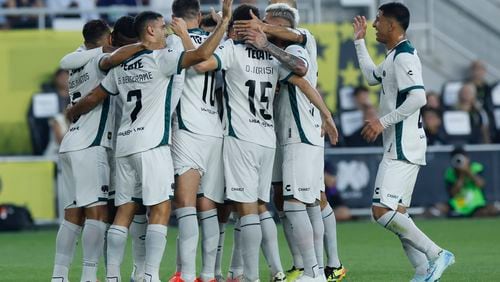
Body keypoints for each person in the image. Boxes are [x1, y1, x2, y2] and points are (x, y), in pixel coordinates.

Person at [66, 3, 233, 281]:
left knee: (124, 211)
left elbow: (95, 96)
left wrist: (72, 111)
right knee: (161, 208)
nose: (167, 32)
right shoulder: (163, 60)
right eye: (163, 27)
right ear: (151, 30)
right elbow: (203, 55)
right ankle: (150, 276)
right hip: (153, 144)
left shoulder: (121, 66)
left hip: (125, 145)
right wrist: (223, 22)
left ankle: (112, 276)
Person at [233, 1, 346, 281]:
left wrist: (266, 41)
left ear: (279, 24)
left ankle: (317, 270)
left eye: (267, 23)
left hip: (300, 134)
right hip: (287, 134)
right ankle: (311, 268)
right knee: (300, 203)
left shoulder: (296, 43)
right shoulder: (275, 51)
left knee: (300, 203)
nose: (263, 27)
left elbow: (302, 70)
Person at [353, 3, 454, 282]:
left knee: (380, 211)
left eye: (378, 19)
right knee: (398, 214)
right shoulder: (394, 56)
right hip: (404, 145)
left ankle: (436, 254)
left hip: (401, 146)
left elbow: (418, 98)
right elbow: (371, 77)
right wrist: (359, 43)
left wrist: (381, 122)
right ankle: (423, 271)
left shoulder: (404, 57)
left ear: (392, 24)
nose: (374, 24)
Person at [51, 19, 145, 282]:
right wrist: (144, 44)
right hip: (91, 145)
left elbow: (67, 60)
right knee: (98, 213)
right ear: (106, 39)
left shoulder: (78, 61)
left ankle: (59, 276)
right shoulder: (97, 60)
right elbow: (110, 59)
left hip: (71, 143)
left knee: (73, 215)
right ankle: (89, 275)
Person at [165, 1, 225, 281]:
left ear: (173, 17)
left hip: (188, 129)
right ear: (199, 16)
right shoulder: (217, 42)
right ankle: (209, 274)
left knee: (186, 204)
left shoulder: (174, 43)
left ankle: (185, 275)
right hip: (215, 129)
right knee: (208, 207)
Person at [444, 147, 499, 217]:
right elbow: (453, 193)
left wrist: (468, 171)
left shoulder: (476, 168)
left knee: (492, 209)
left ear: (467, 158)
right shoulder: (450, 173)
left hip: (477, 205)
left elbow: (481, 184)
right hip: (459, 205)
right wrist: (461, 175)